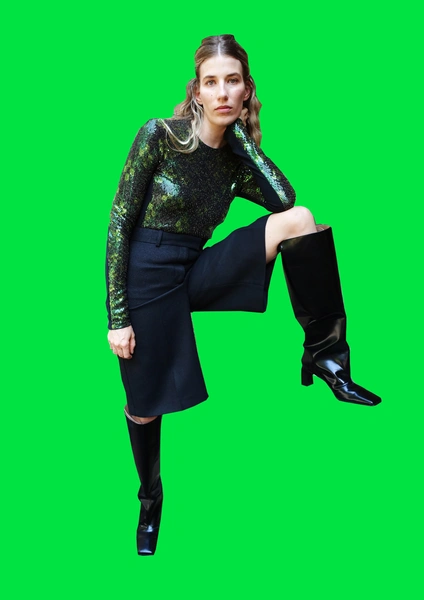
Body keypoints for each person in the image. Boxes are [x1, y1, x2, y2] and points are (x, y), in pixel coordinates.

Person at [106, 34, 381, 555]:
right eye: (211, 82)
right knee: (144, 407)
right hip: (147, 272)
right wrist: (117, 315)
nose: (222, 92)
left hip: (195, 264)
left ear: (246, 89)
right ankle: (150, 496)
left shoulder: (235, 159)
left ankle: (326, 355)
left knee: (300, 220)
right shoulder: (159, 135)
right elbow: (119, 221)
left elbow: (284, 200)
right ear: (197, 91)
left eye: (232, 81)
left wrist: (243, 143)